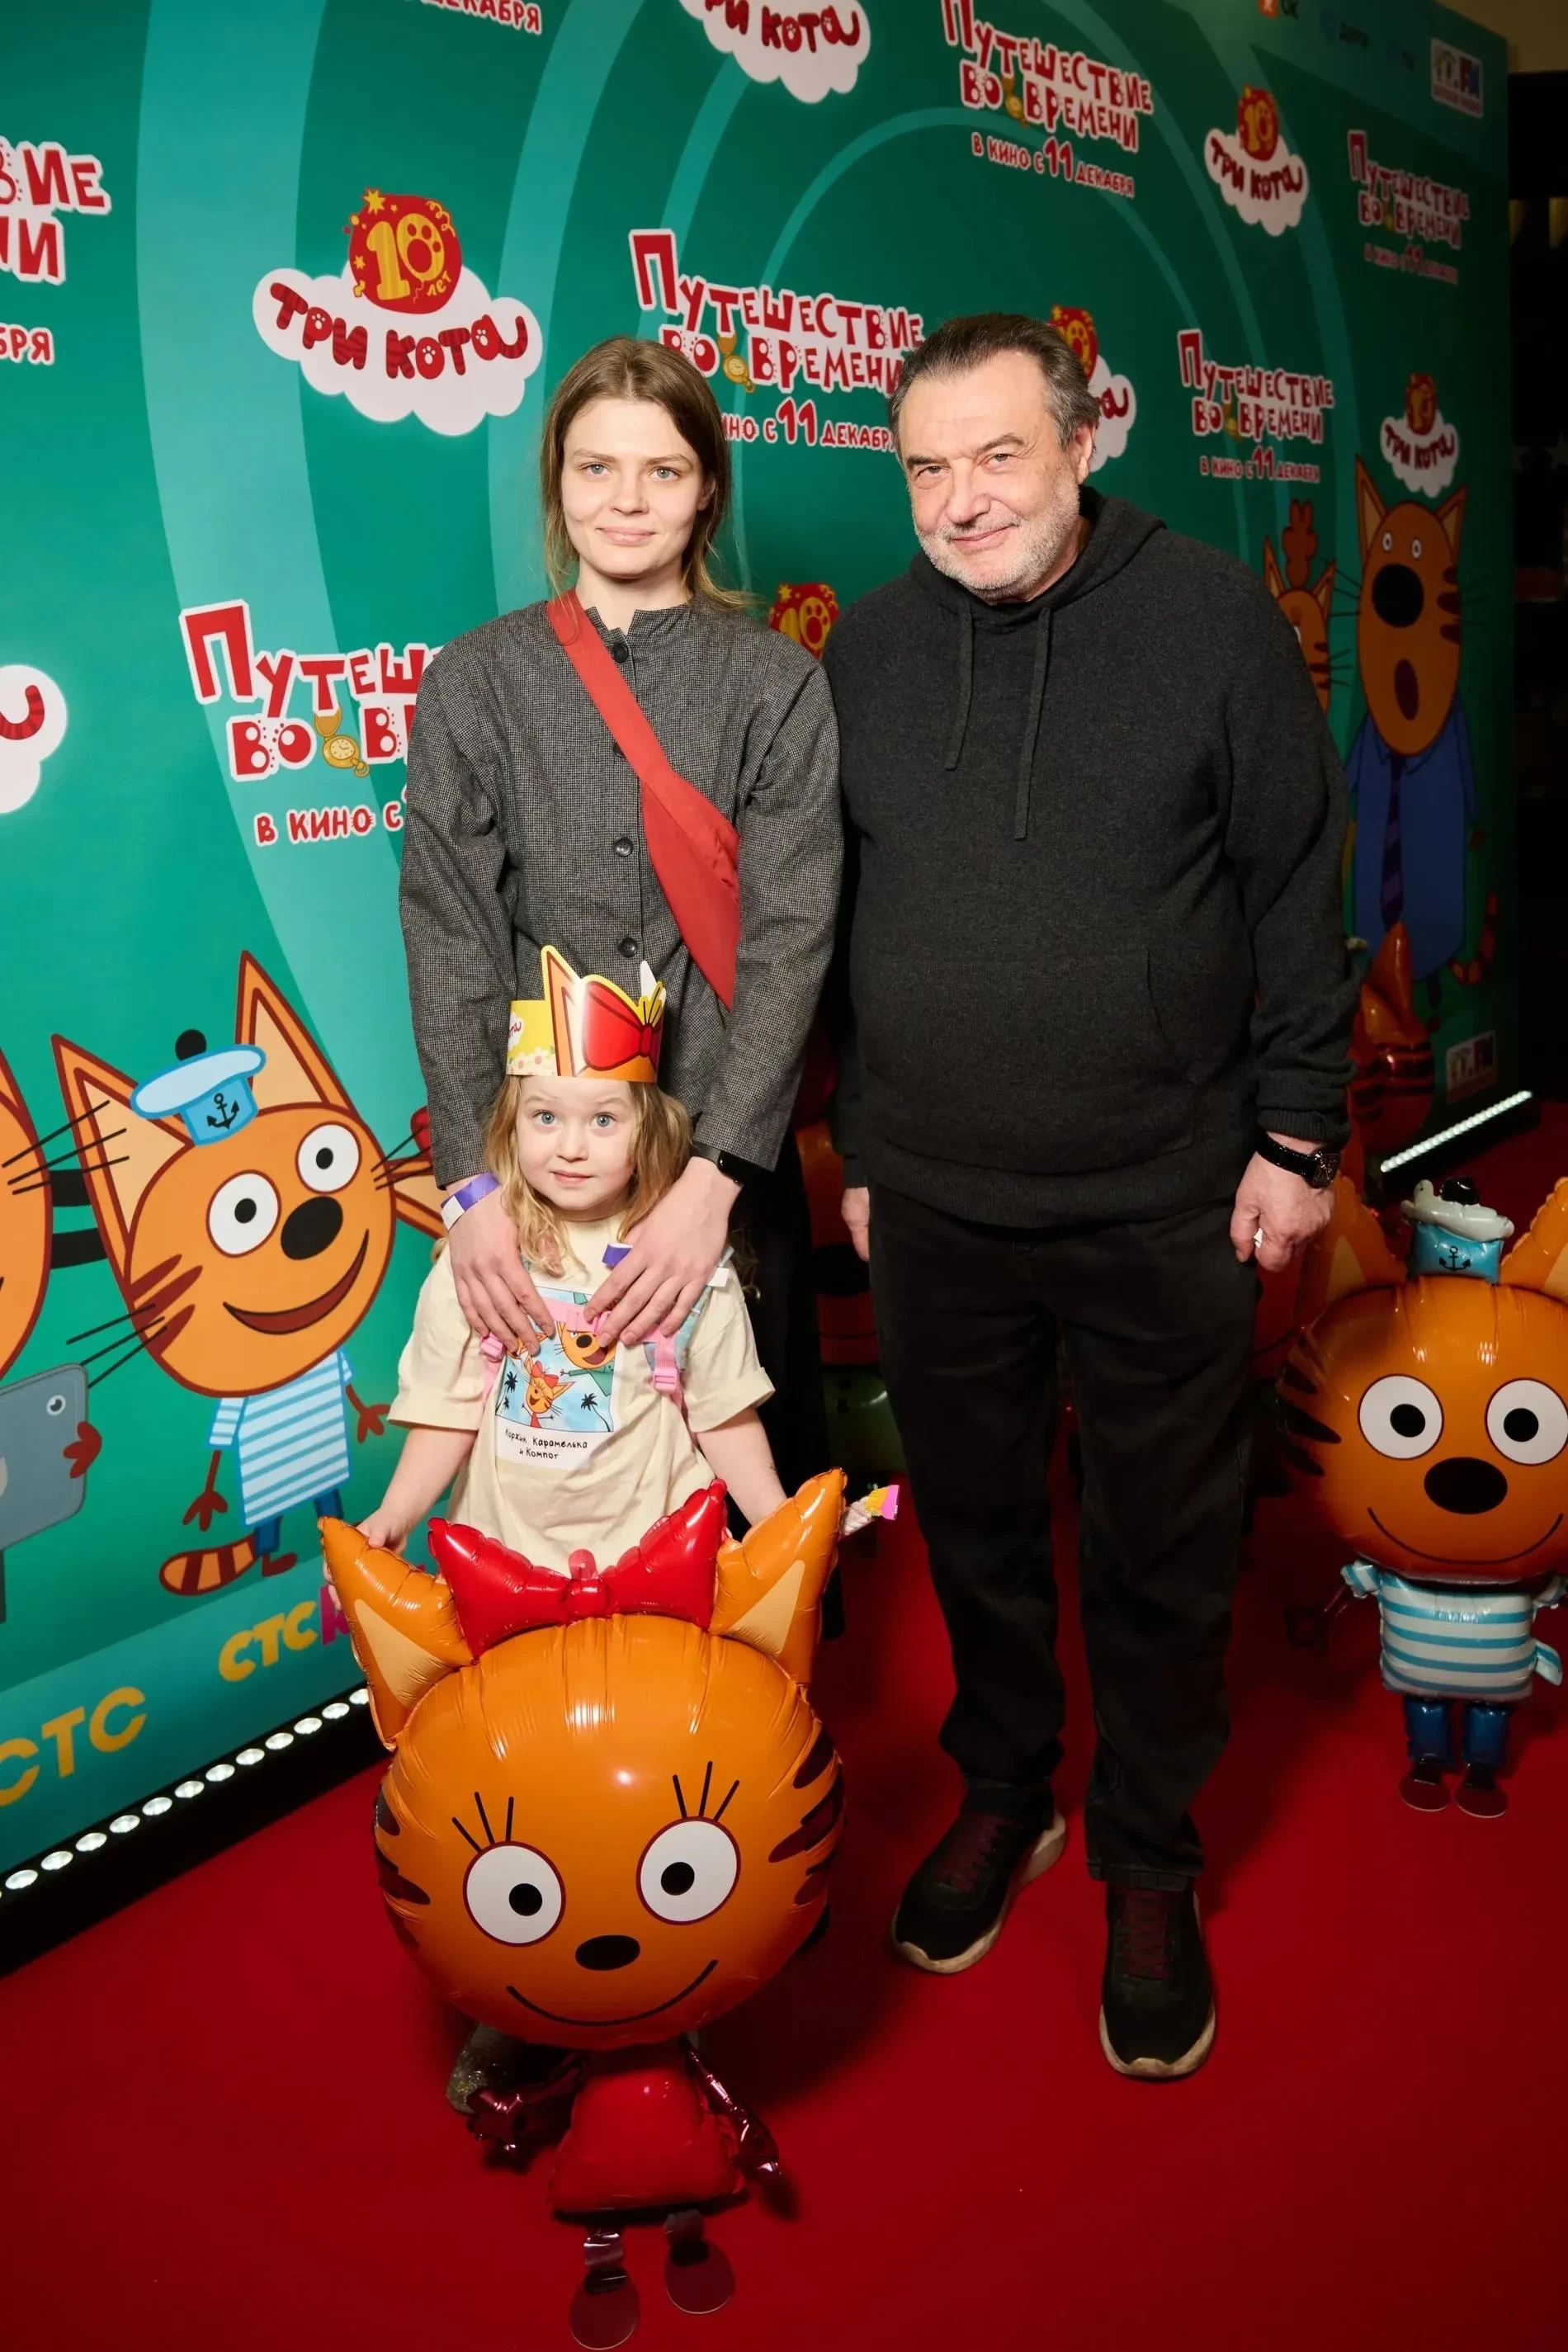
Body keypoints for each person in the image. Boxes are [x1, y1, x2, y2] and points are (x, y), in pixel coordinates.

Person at [823, 314, 1356, 2080]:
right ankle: (1006, 1792)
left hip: (1164, 1196)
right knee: (975, 1532)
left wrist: (1297, 1139)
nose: (959, 499)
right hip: (935, 1200)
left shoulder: (1209, 619)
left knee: (1159, 1548)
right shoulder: (868, 651)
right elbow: (837, 929)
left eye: (996, 456)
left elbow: (1294, 886)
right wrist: (866, 1150)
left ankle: (1146, 1852)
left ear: (1079, 443)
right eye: (926, 467)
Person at [399, 337, 841, 1500]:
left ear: (707, 490)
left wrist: (716, 1179)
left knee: (754, 1504)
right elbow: (449, 936)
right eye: (596, 468)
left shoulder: (777, 684)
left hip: (726, 1159)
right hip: (543, 1168)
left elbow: (792, 936)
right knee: (562, 1496)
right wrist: (473, 1190)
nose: (627, 500)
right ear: (558, 483)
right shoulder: (476, 680)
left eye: (663, 470)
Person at [359, 947, 784, 1565]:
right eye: (545, 1116)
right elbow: (447, 1410)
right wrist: (397, 1514)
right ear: (511, 1124)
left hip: (658, 1560)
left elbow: (723, 1415)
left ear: (649, 1131)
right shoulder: (478, 1259)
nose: (572, 1147)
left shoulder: (684, 1262)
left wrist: (777, 1522)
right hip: (505, 1562)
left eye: (604, 1120)